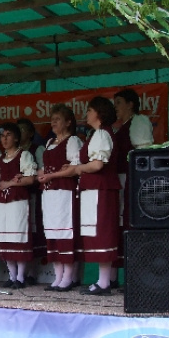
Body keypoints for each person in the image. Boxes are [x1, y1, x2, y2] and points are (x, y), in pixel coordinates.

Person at [64, 96, 121, 295]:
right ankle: (103, 280)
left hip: (101, 189)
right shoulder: (96, 134)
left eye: (89, 110)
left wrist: (79, 168)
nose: (86, 114)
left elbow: (97, 164)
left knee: (102, 234)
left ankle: (104, 283)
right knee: (97, 233)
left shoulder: (102, 134)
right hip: (94, 190)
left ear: (99, 113)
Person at [37, 105, 83, 291]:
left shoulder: (73, 141)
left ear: (68, 122)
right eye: (52, 118)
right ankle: (57, 276)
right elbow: (45, 167)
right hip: (49, 193)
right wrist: (41, 174)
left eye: (58, 118)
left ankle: (68, 277)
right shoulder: (49, 143)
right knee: (52, 231)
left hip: (65, 191)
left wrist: (52, 175)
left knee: (65, 231)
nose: (53, 122)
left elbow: (74, 167)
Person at [112, 88, 154, 288]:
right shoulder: (121, 127)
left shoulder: (139, 122)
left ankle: (136, 276)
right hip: (121, 181)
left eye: (119, 102)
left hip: (132, 180)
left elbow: (142, 155)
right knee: (120, 226)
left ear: (130, 104)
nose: (116, 107)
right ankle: (116, 277)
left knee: (131, 224)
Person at [0, 123, 37, 289]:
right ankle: (12, 276)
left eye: (8, 135)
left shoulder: (23, 155)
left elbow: (30, 178)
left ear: (17, 138)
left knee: (18, 237)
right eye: (2, 136)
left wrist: (10, 183)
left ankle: (20, 277)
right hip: (1, 203)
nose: (4, 139)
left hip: (17, 201)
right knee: (5, 238)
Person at [17, 118, 46, 285]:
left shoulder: (38, 149)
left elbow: (41, 172)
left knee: (34, 232)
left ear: (30, 133)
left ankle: (32, 273)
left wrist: (28, 178)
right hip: (16, 199)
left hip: (33, 196)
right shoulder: (12, 152)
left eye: (23, 130)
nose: (19, 133)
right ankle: (20, 273)